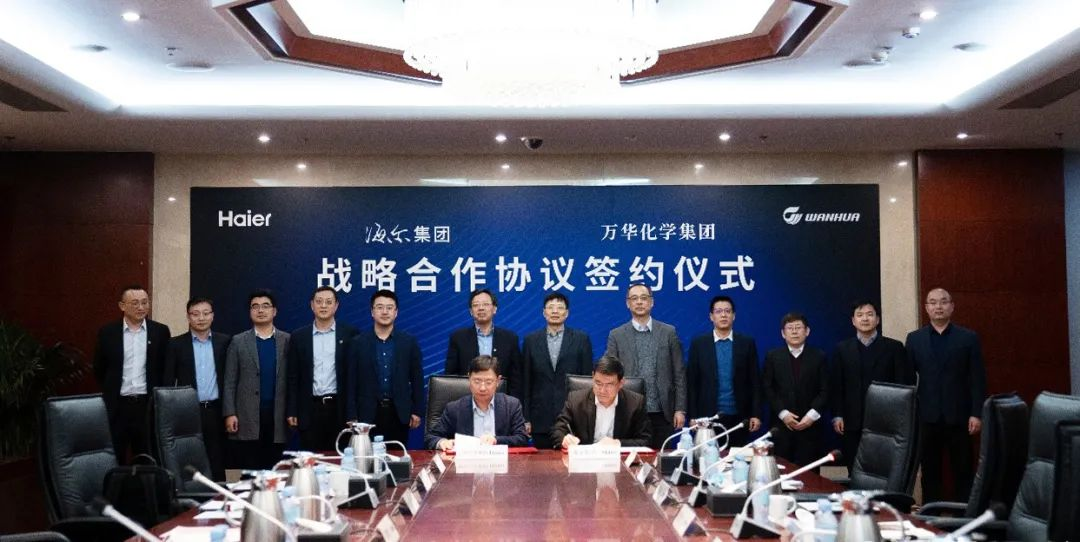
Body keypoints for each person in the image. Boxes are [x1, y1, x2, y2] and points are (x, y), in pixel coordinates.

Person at [906, 288, 986, 502]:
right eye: (933, 303)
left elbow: (977, 379)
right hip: (927, 416)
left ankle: (963, 516)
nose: (938, 306)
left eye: (943, 302)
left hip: (960, 416)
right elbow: (908, 381)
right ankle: (930, 515)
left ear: (952, 306)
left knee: (963, 470)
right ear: (926, 308)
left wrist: (976, 413)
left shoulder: (968, 338)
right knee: (930, 471)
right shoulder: (914, 339)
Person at [829, 300, 913, 469]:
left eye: (869, 314)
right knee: (854, 468)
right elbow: (837, 385)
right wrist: (838, 415)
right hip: (852, 420)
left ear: (877, 319)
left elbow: (904, 385)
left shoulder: (894, 348)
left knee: (883, 469)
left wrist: (899, 418)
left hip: (886, 420)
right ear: (853, 321)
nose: (865, 319)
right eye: (860, 315)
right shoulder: (842, 349)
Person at [93, 285, 171, 460]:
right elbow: (99, 368)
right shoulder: (108, 333)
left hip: (147, 405)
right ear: (122, 306)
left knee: (147, 457)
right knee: (115, 457)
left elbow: (164, 368)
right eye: (135, 303)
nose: (141, 307)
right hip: (117, 406)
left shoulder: (160, 332)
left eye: (144, 302)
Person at [603, 283, 685, 449]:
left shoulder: (668, 332)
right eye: (634, 298)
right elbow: (609, 373)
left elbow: (679, 373)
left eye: (644, 298)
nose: (639, 302)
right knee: (629, 459)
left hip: (663, 412)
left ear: (651, 302)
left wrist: (680, 409)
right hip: (629, 411)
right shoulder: (617, 335)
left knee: (662, 458)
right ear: (628, 303)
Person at [163, 296, 231, 479]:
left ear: (213, 316)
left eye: (206, 313)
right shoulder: (175, 345)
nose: (201, 318)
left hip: (215, 411)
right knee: (189, 461)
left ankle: (219, 495)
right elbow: (168, 382)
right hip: (187, 412)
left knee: (217, 462)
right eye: (195, 314)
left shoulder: (225, 342)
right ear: (188, 316)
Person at [286, 286, 360, 452]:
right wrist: (292, 410)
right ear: (312, 305)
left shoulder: (350, 334)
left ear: (336, 305)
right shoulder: (299, 337)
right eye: (319, 302)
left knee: (340, 458)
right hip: (309, 408)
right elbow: (293, 377)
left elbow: (354, 377)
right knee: (311, 458)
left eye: (328, 302)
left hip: (339, 408)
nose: (323, 306)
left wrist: (352, 412)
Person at [222, 289, 290, 469]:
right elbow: (229, 381)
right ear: (250, 311)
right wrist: (230, 413)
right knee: (250, 470)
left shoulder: (287, 340)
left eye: (266, 306)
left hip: (278, 416)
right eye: (255, 306)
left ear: (274, 311)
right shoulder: (238, 341)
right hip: (247, 415)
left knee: (275, 469)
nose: (261, 310)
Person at [346, 289, 423, 445]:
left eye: (389, 307)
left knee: (397, 457)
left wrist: (417, 411)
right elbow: (350, 381)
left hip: (399, 413)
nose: (385, 312)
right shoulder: (358, 343)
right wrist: (351, 415)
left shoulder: (408, 342)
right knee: (367, 457)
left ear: (396, 312)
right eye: (380, 307)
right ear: (372, 312)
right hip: (366, 415)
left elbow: (417, 379)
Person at [517, 292, 594, 449]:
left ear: (567, 313)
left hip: (572, 417)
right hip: (540, 418)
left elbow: (586, 381)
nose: (555, 311)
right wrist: (526, 418)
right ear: (544, 312)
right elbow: (526, 382)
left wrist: (586, 416)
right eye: (550, 307)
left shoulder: (581, 339)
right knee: (541, 462)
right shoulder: (531, 341)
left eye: (560, 308)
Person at [686, 295, 761, 446]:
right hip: (707, 418)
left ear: (734, 315)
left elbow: (755, 381)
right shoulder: (699, 344)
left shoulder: (746, 343)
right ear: (711, 316)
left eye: (727, 311)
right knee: (707, 457)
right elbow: (692, 383)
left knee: (737, 457)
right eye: (719, 311)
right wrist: (692, 416)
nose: (723, 315)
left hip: (740, 417)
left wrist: (756, 414)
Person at [761, 312, 828, 466]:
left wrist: (812, 415)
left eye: (798, 327)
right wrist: (783, 413)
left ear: (807, 331)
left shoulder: (819, 356)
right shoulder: (773, 356)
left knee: (809, 473)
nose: (794, 332)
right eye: (790, 328)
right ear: (783, 333)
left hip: (810, 426)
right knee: (781, 470)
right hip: (781, 426)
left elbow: (826, 389)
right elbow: (767, 387)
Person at [425, 355, 529, 450]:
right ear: (469, 379)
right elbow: (431, 437)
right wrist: (442, 442)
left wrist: (496, 440)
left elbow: (522, 438)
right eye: (477, 381)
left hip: (501, 462)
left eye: (488, 382)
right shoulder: (454, 408)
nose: (482, 388)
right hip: (465, 463)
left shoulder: (511, 405)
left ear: (498, 381)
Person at [550, 356, 651, 449]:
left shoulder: (635, 403)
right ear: (593, 377)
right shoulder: (576, 400)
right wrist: (564, 439)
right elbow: (557, 430)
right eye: (598, 383)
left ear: (621, 383)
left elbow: (646, 440)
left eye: (609, 385)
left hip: (619, 459)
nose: (602, 390)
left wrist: (618, 443)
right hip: (585, 459)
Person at [445, 289, 522, 385]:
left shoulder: (510, 338)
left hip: (501, 394)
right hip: (467, 392)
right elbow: (450, 376)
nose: (481, 308)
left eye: (485, 304)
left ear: (494, 309)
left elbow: (516, 377)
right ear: (471, 311)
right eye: (476, 305)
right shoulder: (458, 338)